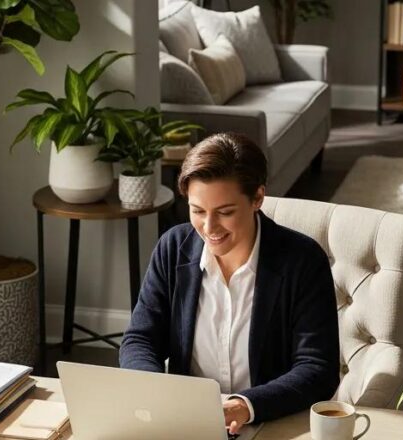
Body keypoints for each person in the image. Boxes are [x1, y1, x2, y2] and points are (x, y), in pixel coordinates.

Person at [119, 133, 340, 434]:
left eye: (225, 212)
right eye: (197, 211)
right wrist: (158, 393)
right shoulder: (173, 248)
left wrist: (245, 405)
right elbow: (140, 340)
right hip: (187, 426)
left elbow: (318, 369)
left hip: (270, 422)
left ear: (257, 198)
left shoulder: (302, 261)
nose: (209, 228)